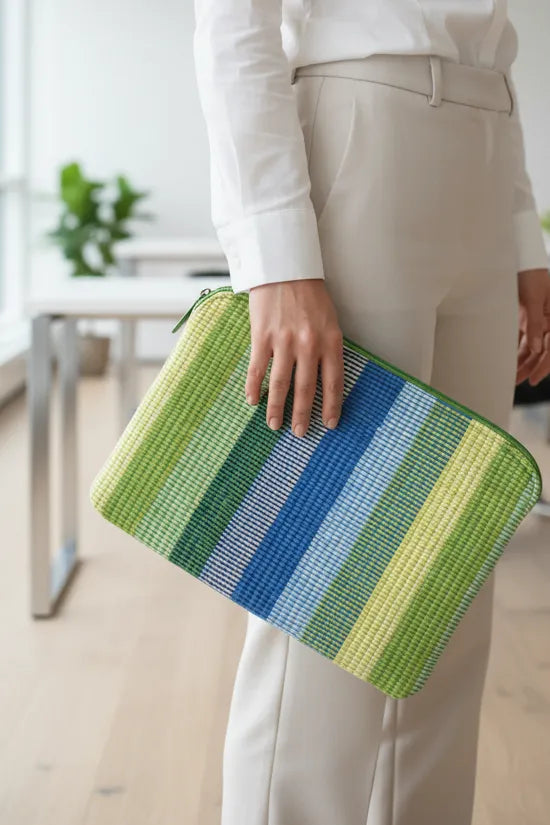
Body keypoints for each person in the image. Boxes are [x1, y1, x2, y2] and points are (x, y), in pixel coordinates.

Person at [192, 2, 550, 823]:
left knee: (451, 584)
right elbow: (233, 23)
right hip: (363, 133)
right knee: (321, 587)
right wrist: (276, 260)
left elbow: (487, 41)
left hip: (485, 145)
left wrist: (522, 234)